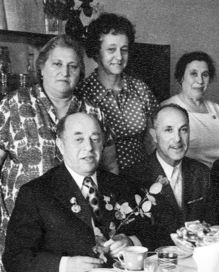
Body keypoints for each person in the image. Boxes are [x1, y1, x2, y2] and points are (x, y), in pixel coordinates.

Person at [0, 35, 117, 267]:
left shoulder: (92, 111)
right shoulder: (12, 106)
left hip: (78, 235)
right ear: (41, 67)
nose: (65, 72)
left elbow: (110, 169)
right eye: (57, 64)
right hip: (22, 230)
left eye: (72, 66)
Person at [3, 113, 151, 272]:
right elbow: (15, 258)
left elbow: (153, 234)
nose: (88, 147)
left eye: (95, 139)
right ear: (60, 145)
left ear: (102, 144)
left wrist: (131, 242)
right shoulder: (35, 193)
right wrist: (64, 265)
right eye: (79, 139)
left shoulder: (121, 184)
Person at [77, 13, 159, 170]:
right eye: (111, 49)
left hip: (143, 178)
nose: (119, 57)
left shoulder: (140, 89)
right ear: (96, 52)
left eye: (124, 50)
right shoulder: (83, 94)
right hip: (105, 180)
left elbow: (156, 134)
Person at [123, 104, 210, 242]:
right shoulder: (133, 178)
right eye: (168, 130)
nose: (177, 139)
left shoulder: (202, 173)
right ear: (154, 136)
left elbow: (212, 226)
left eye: (183, 130)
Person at [161, 51, 219, 168]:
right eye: (193, 74)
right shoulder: (168, 108)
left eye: (205, 74)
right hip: (191, 180)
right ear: (181, 77)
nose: (200, 81)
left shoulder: (216, 109)